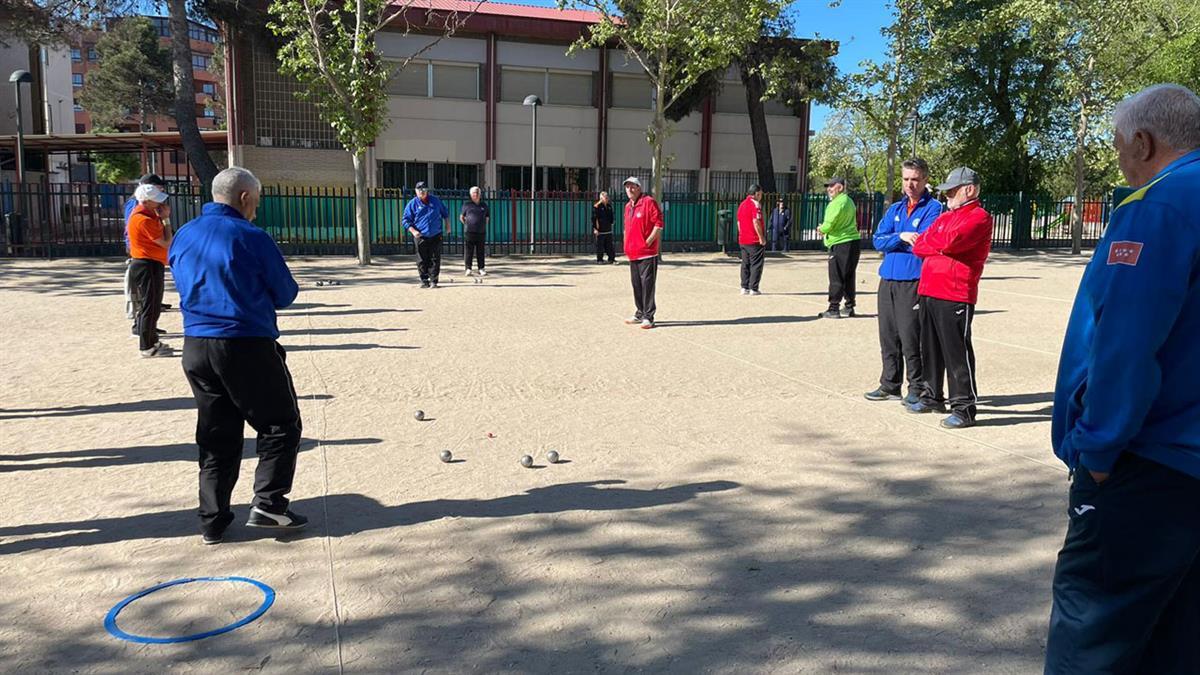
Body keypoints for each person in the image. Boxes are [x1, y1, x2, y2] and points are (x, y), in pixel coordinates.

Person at [1045, 84, 1200, 673]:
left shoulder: (1157, 207)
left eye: (1117, 146)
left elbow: (1125, 345)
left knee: (1093, 637)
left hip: (1147, 463)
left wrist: (1098, 454)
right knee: (1177, 639)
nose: (1118, 159)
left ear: (1143, 141)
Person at [168, 166, 305, 545]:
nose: (256, 210)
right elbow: (285, 294)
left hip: (196, 345)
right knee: (280, 424)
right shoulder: (251, 236)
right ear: (244, 197)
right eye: (255, 202)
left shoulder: (184, 234)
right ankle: (269, 504)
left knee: (217, 433)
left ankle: (211, 519)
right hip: (244, 342)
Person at [902, 167, 992, 429]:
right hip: (930, 289)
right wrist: (936, 245)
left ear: (969, 190)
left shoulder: (979, 217)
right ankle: (932, 396)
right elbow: (921, 245)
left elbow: (952, 242)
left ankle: (964, 407)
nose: (947, 196)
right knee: (929, 348)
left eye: (952, 191)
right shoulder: (946, 216)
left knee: (956, 352)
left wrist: (936, 244)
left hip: (955, 292)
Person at [865, 158, 943, 405]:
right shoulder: (895, 209)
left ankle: (917, 386)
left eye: (915, 179)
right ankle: (890, 384)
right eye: (906, 179)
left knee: (911, 336)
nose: (910, 184)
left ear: (925, 180)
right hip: (888, 278)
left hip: (913, 280)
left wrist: (897, 240)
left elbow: (923, 243)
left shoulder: (934, 209)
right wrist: (901, 237)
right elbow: (877, 240)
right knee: (888, 335)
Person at [127, 183, 172, 357]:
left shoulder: (148, 215)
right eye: (155, 201)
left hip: (150, 263)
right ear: (145, 201)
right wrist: (166, 219)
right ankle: (146, 346)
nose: (159, 203)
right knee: (150, 305)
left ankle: (151, 341)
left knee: (152, 304)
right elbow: (166, 242)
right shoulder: (143, 219)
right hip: (146, 264)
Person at [123, 174, 170, 323]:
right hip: (143, 254)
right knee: (144, 296)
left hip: (148, 252)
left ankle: (147, 326)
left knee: (150, 296)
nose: (161, 190)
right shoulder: (138, 208)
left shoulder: (151, 208)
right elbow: (134, 228)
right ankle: (142, 326)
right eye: (158, 187)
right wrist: (165, 220)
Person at [621, 177, 664, 329]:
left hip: (647, 253)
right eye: (627, 187)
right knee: (636, 285)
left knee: (647, 285)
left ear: (639, 188)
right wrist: (626, 244)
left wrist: (649, 241)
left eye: (632, 186)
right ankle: (640, 312)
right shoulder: (628, 206)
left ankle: (648, 316)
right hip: (633, 252)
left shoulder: (648, 202)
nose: (630, 189)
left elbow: (658, 224)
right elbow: (626, 227)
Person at [817, 177, 861, 318]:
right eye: (828, 186)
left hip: (840, 242)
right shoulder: (849, 201)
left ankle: (834, 308)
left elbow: (829, 223)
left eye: (832, 186)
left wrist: (821, 229)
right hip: (853, 241)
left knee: (836, 275)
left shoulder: (836, 203)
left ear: (840, 187)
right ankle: (849, 306)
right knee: (849, 275)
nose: (829, 189)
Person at [403, 181, 449, 288]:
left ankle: (434, 281)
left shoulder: (436, 201)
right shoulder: (412, 204)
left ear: (427, 190)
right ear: (416, 191)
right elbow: (405, 220)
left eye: (423, 189)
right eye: (419, 190)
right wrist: (413, 231)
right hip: (420, 236)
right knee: (421, 259)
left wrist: (448, 226)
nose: (421, 192)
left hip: (435, 234)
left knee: (435, 258)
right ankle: (424, 281)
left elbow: (445, 213)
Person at [736, 183, 766, 295]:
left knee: (745, 263)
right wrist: (761, 237)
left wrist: (742, 234)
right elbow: (756, 221)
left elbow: (739, 222)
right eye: (760, 194)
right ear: (757, 193)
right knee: (756, 264)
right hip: (754, 240)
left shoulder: (742, 204)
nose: (761, 196)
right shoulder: (755, 205)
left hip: (743, 239)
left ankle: (744, 287)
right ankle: (753, 287)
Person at [459, 186, 489, 277]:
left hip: (481, 231)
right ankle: (468, 268)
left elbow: (487, 217)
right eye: (474, 193)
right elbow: (462, 217)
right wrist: (467, 224)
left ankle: (481, 268)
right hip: (469, 231)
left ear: (480, 194)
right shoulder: (467, 205)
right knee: (469, 251)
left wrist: (482, 225)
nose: (476, 194)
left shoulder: (484, 205)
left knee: (481, 251)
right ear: (471, 194)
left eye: (477, 193)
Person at [593, 191, 616, 264]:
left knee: (609, 245)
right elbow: (594, 218)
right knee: (600, 246)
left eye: (607, 197)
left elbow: (611, 215)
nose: (607, 199)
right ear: (601, 198)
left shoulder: (609, 206)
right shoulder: (597, 206)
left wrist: (612, 222)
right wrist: (595, 228)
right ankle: (600, 259)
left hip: (608, 228)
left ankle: (611, 259)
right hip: (600, 229)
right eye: (605, 198)